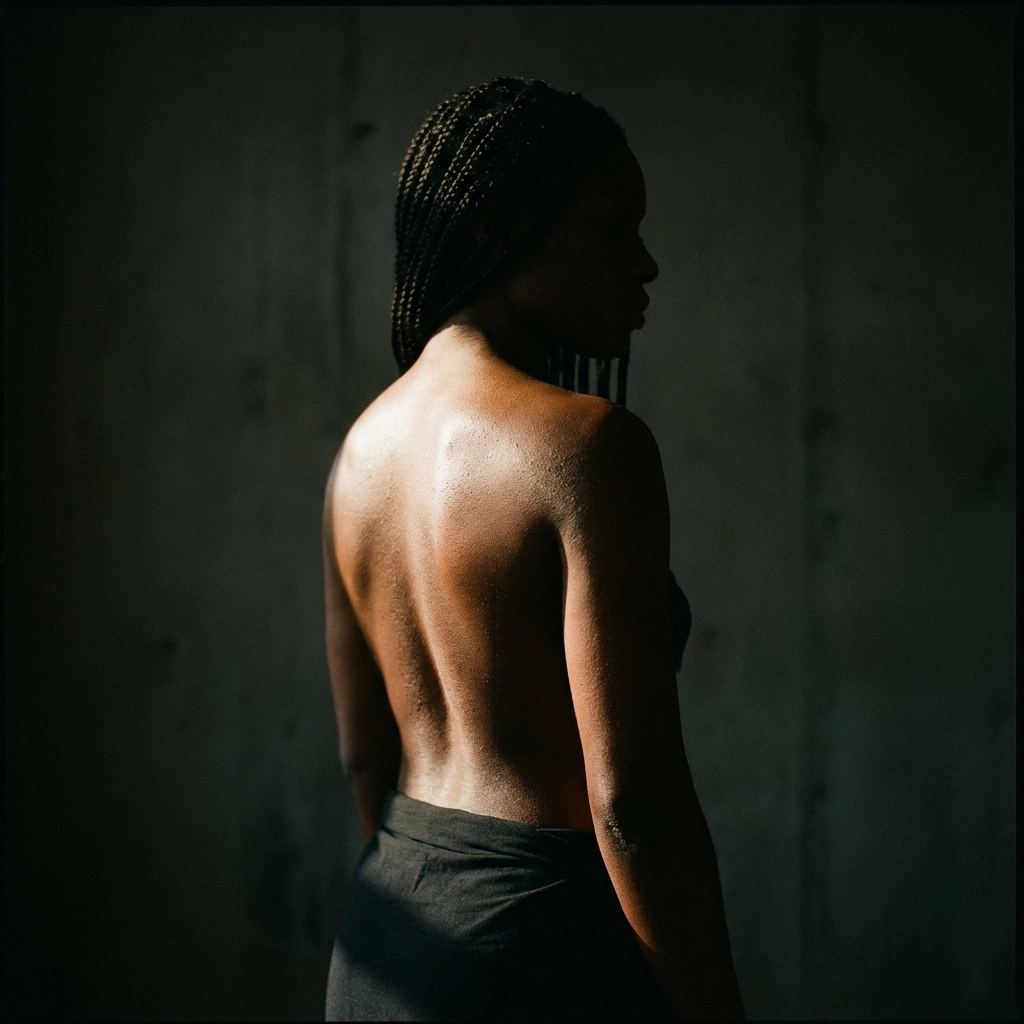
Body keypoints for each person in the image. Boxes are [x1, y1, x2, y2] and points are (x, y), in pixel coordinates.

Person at [322, 78, 744, 1021]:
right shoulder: (589, 446)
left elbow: (364, 757)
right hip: (541, 953)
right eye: (612, 225)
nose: (646, 265)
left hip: (385, 940)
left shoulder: (360, 452)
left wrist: (435, 906)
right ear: (495, 227)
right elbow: (633, 802)